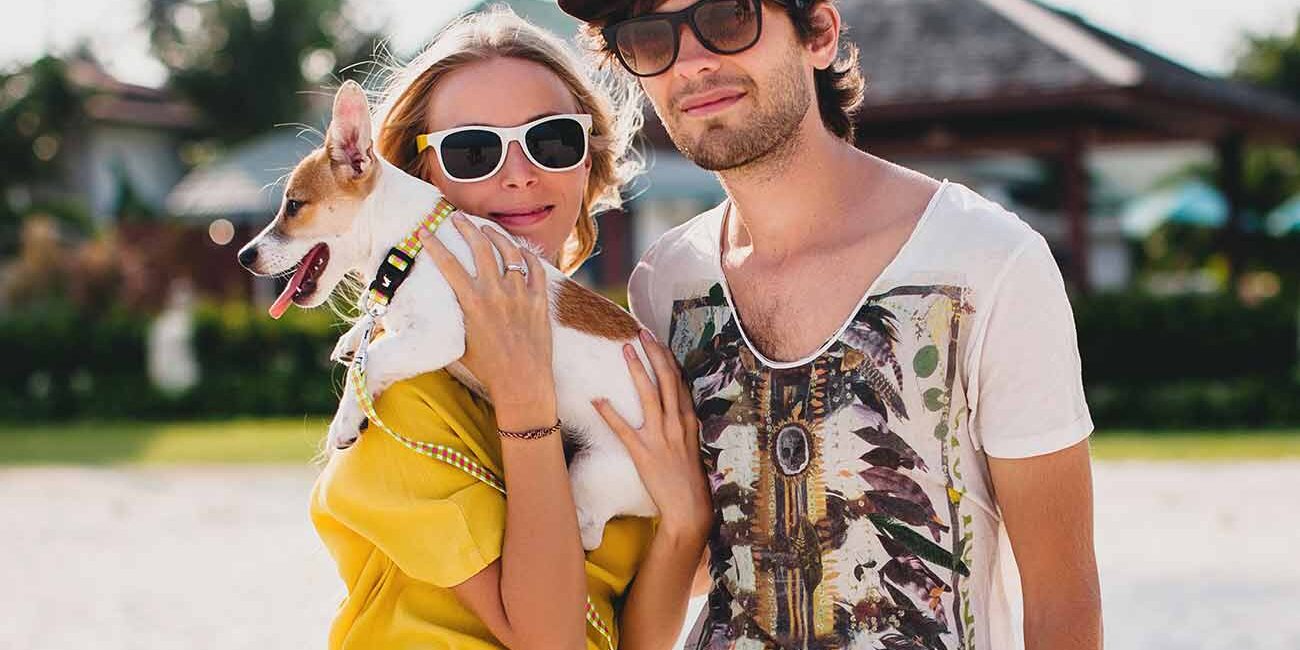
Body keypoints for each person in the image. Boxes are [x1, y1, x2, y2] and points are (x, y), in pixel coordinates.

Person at [556, 1, 1103, 649]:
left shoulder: (986, 260)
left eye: (728, 19)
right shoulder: (666, 282)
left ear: (818, 33)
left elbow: (1063, 598)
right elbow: (695, 562)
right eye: (651, 39)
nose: (691, 63)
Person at [309, 10, 712, 650]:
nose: (520, 174)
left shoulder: (616, 370)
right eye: (473, 151)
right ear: (415, 180)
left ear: (587, 162)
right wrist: (525, 405)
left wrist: (686, 520)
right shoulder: (400, 393)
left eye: (553, 141)